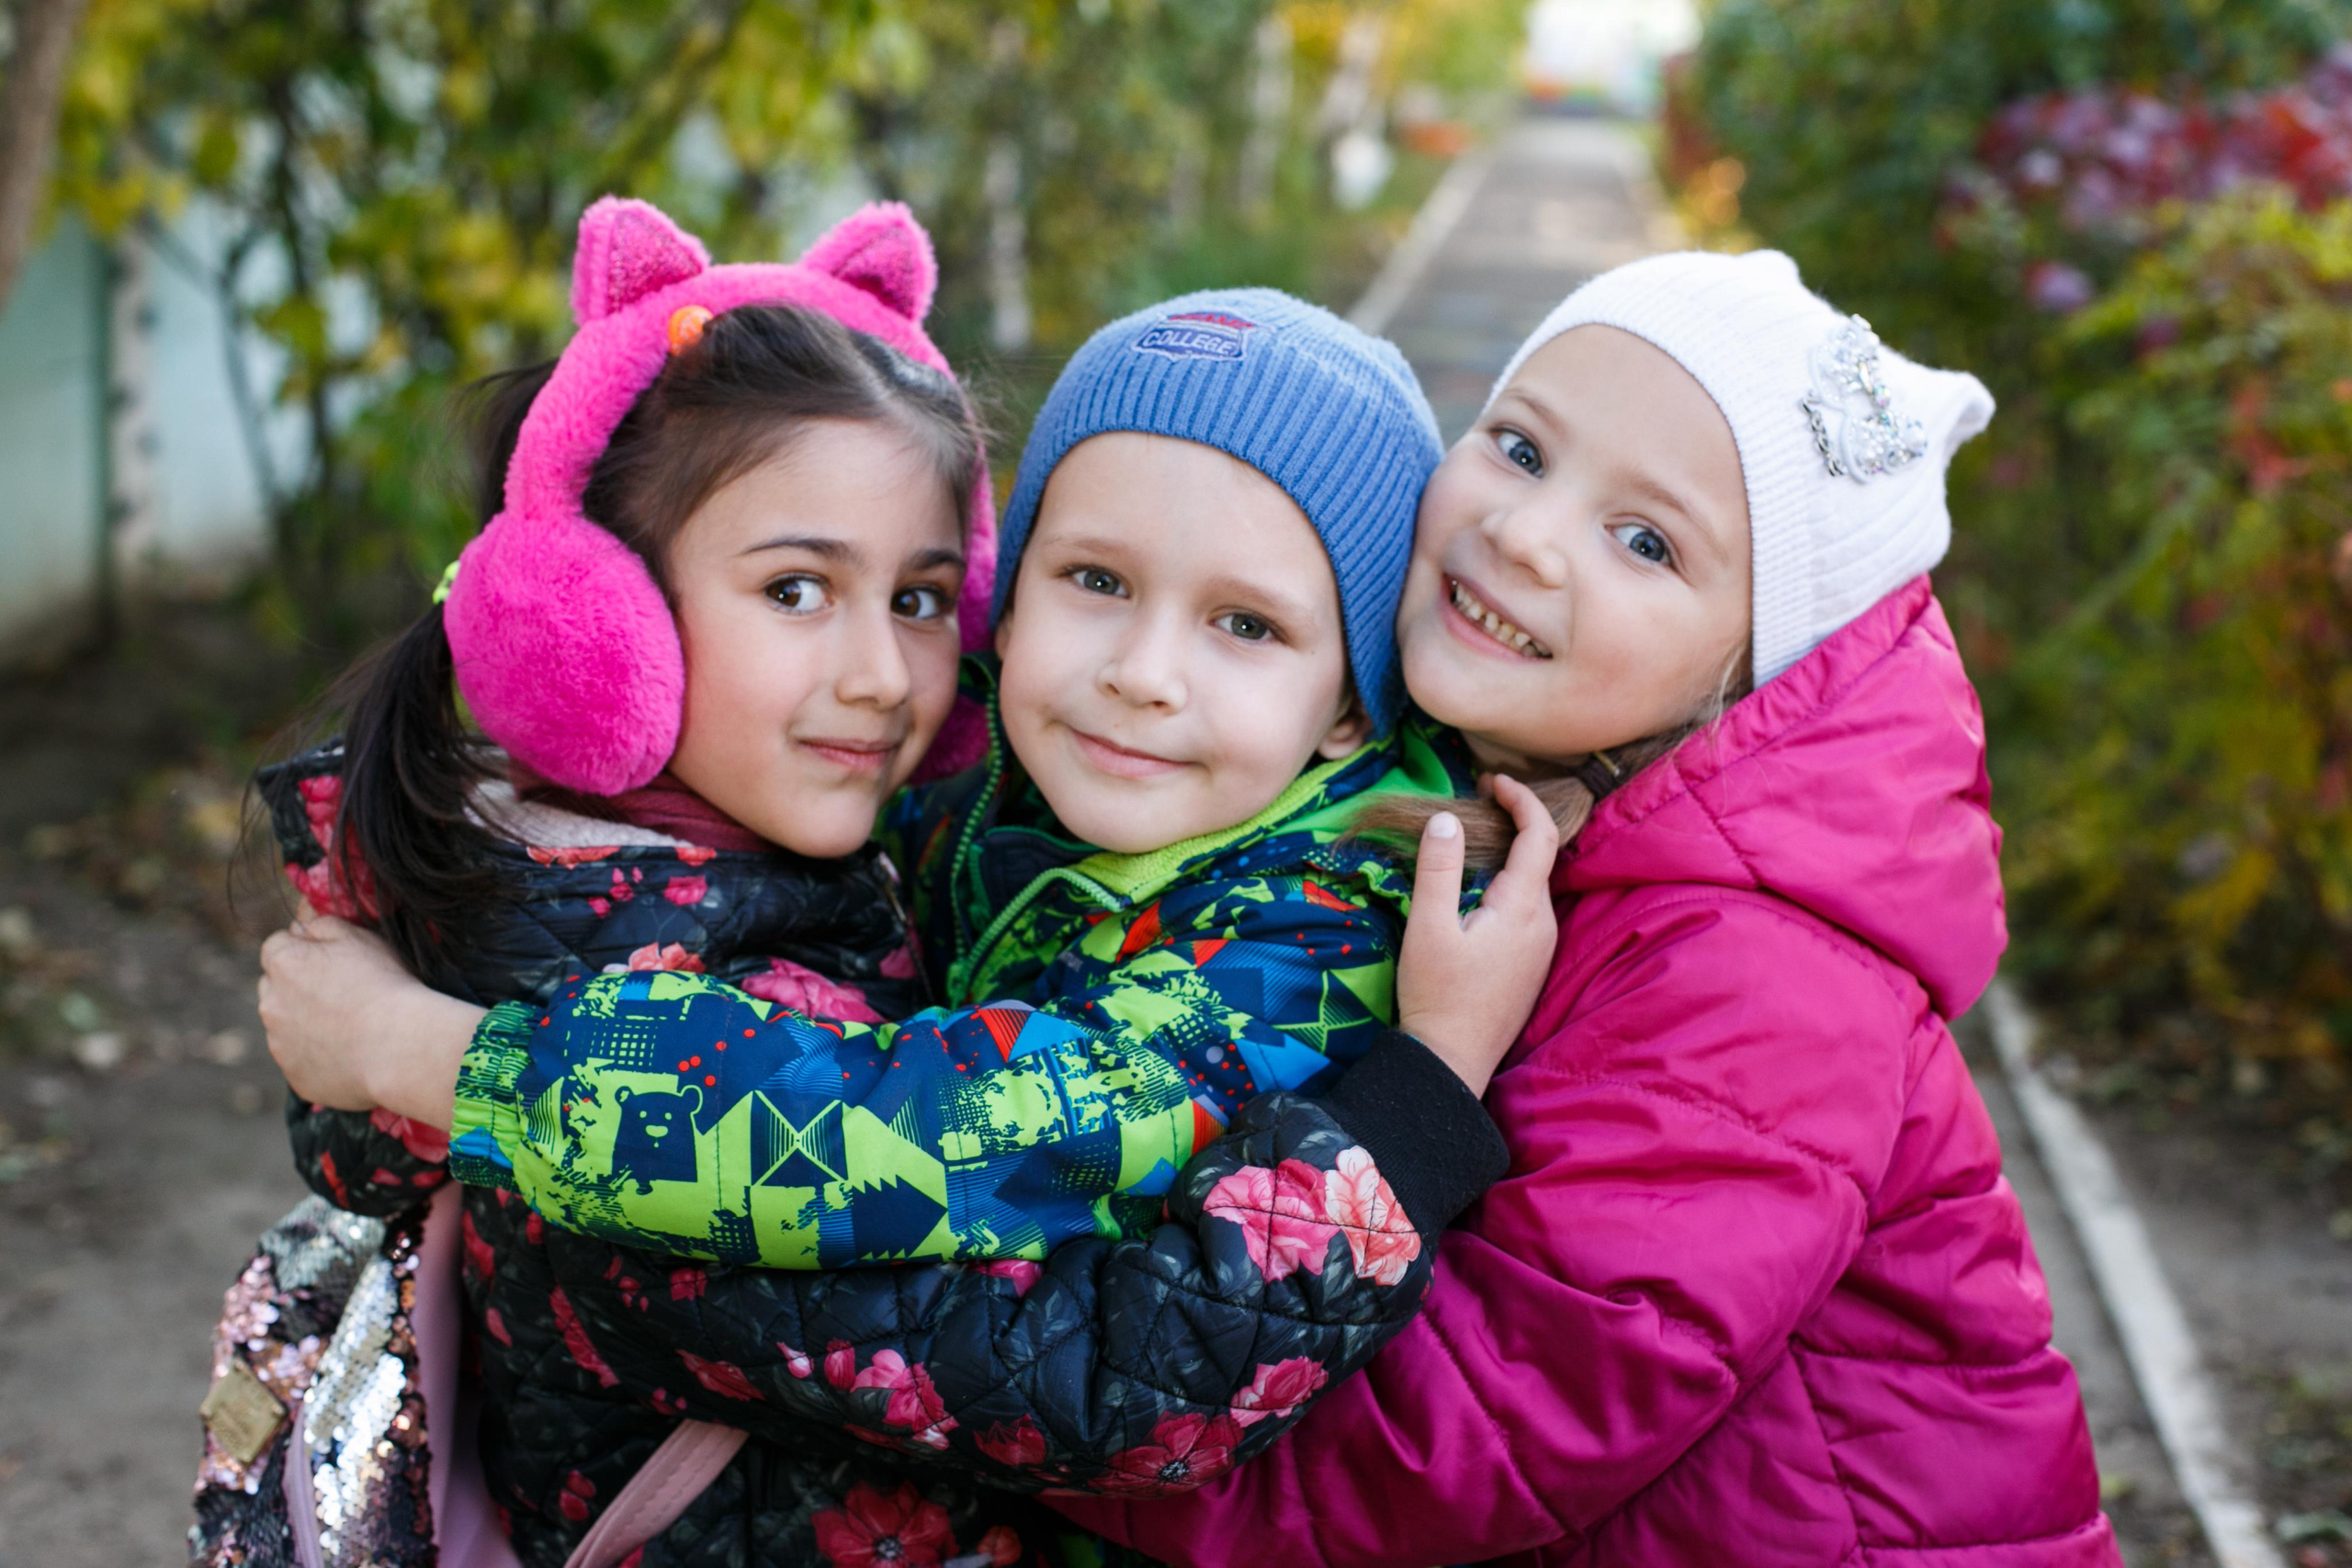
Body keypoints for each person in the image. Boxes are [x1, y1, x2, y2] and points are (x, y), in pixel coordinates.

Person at [257, 258, 1556, 1564]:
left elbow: (975, 1156)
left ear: (1351, 704)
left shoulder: (1266, 917)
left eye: (1247, 624)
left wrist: (413, 1054)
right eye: (1096, 580)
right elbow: (1064, 1330)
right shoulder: (775, 931)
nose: (1145, 675)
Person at [1062, 250, 2121, 1566]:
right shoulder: (1517, 804)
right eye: (1518, 447)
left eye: (1645, 541)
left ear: (1739, 673)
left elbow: (1461, 1439)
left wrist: (992, 1409)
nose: (1523, 531)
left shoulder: (1763, 979)